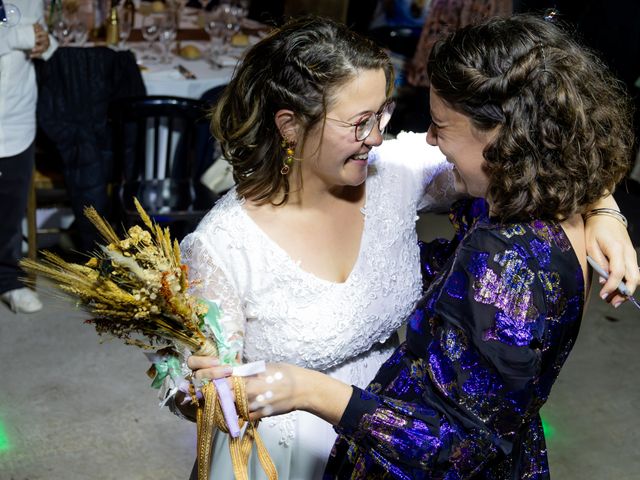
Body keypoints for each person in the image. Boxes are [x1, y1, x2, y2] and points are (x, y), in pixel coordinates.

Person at [179, 15, 636, 480]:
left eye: (383, 114)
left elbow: (541, 130)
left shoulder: (393, 175)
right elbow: (207, 392)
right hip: (288, 453)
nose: (377, 137)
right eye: (360, 122)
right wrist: (205, 390)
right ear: (290, 126)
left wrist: (602, 207)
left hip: (397, 437)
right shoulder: (224, 244)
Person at [0, 0, 56, 313]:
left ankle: (8, 280)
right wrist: (20, 36)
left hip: (17, 115)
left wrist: (46, 42)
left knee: (11, 204)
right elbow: (19, 33)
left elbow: (38, 32)